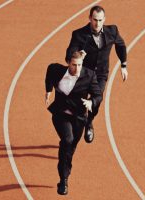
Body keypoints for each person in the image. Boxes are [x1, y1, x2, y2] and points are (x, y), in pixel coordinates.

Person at [65, 5, 128, 143]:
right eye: (94, 20)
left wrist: (123, 65)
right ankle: (73, 130)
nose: (97, 23)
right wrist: (77, 56)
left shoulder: (113, 31)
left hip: (100, 75)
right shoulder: (79, 34)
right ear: (89, 18)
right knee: (79, 105)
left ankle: (89, 123)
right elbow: (69, 54)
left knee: (96, 100)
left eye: (100, 20)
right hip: (83, 75)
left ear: (104, 19)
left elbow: (121, 45)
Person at [45, 51, 102, 195]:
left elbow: (98, 95)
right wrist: (48, 90)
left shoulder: (89, 76)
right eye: (74, 65)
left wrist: (91, 102)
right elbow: (49, 70)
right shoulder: (57, 70)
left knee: (71, 147)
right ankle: (63, 180)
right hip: (61, 115)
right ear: (68, 63)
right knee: (67, 140)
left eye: (79, 65)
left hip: (79, 118)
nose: (77, 69)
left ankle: (66, 168)